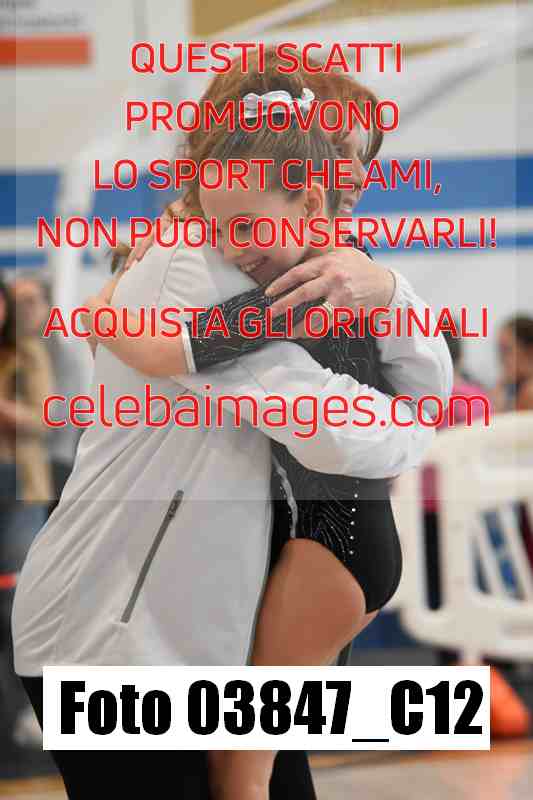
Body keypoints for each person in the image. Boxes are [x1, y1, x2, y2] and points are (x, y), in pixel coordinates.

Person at [12, 57, 451, 800]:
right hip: (116, 637)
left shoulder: (317, 264)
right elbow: (334, 429)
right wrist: (415, 426)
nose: (349, 177)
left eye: (357, 159)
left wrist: (388, 290)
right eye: (333, 149)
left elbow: (421, 382)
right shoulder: (197, 267)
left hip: (210, 619)